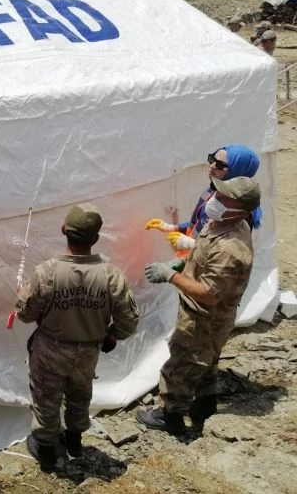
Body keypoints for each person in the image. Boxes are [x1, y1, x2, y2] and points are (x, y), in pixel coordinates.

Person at [14, 204, 139, 472]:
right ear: (95, 238)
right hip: (88, 351)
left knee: (46, 398)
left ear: (64, 231)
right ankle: (74, 443)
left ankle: (47, 451)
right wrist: (112, 336)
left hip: (49, 349)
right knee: (80, 395)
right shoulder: (111, 276)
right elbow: (128, 322)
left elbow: (24, 314)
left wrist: (22, 296)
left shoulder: (46, 272)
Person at [137, 177, 259, 435]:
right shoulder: (221, 224)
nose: (216, 199)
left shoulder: (230, 248)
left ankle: (171, 417)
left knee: (182, 364)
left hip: (205, 317)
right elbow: (203, 255)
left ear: (241, 209)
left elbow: (209, 294)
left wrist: (171, 276)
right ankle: (204, 408)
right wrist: (183, 264)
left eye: (225, 198)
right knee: (206, 362)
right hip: (207, 315)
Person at [145, 144, 261, 254]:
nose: (212, 166)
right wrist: (170, 227)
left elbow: (228, 253)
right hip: (194, 257)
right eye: (212, 159)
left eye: (220, 165)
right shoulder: (211, 191)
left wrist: (191, 244)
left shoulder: (238, 210)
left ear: (237, 171)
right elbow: (200, 223)